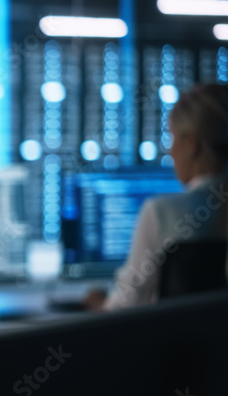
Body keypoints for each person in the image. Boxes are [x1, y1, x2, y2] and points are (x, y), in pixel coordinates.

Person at [85, 83, 228, 310]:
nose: (171, 151)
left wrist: (98, 304)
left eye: (173, 139)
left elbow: (124, 308)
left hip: (180, 344)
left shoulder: (161, 213)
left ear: (191, 143)